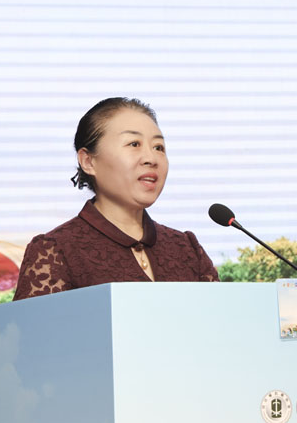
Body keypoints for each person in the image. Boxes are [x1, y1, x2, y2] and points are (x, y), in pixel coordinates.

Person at [13, 97, 219, 300]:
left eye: (158, 147)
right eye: (134, 144)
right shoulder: (55, 251)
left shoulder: (186, 249)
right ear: (88, 161)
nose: (151, 158)